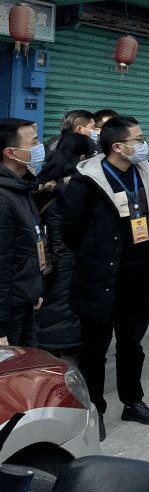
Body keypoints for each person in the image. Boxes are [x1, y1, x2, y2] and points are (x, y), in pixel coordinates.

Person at [61, 116, 149, 441]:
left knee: (132, 346)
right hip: (99, 281)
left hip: (135, 280)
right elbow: (70, 231)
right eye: (137, 138)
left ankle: (133, 402)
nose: (143, 142)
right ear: (118, 146)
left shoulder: (143, 174)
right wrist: (98, 256)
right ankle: (96, 411)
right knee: (94, 351)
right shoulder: (86, 182)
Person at [33, 133, 96, 357]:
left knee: (47, 307)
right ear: (82, 157)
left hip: (43, 260)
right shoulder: (76, 184)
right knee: (66, 308)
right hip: (67, 258)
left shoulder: (40, 179)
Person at [0, 118, 45, 347]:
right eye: (34, 142)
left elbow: (26, 245)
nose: (40, 147)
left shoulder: (20, 186)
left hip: (24, 302)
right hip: (9, 315)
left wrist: (33, 290)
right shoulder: (3, 198)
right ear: (10, 152)